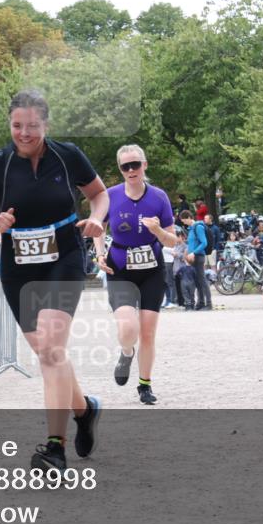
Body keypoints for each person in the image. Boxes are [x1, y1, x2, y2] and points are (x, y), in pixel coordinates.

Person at [0, 89, 108, 473]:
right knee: (48, 353)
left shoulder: (68, 155)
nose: (24, 133)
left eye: (32, 126)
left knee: (53, 345)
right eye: (16, 125)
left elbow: (99, 195)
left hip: (65, 257)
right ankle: (84, 410)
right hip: (18, 267)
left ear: (46, 124)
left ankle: (54, 448)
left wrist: (97, 219)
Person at [93, 145, 176, 405]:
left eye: (135, 164)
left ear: (145, 165)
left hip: (152, 269)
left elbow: (172, 241)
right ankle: (126, 352)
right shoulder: (110, 195)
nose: (131, 170)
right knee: (128, 328)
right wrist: (100, 254)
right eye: (125, 166)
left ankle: (145, 385)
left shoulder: (159, 197)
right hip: (120, 268)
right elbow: (97, 226)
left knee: (148, 333)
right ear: (120, 169)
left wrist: (158, 232)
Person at [178, 210, 210, 310]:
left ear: (188, 217)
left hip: (199, 257)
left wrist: (194, 252)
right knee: (197, 281)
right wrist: (188, 251)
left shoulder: (198, 227)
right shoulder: (191, 229)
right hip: (193, 258)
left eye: (184, 220)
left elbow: (204, 243)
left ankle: (208, 304)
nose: (183, 223)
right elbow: (192, 243)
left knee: (202, 281)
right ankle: (200, 303)